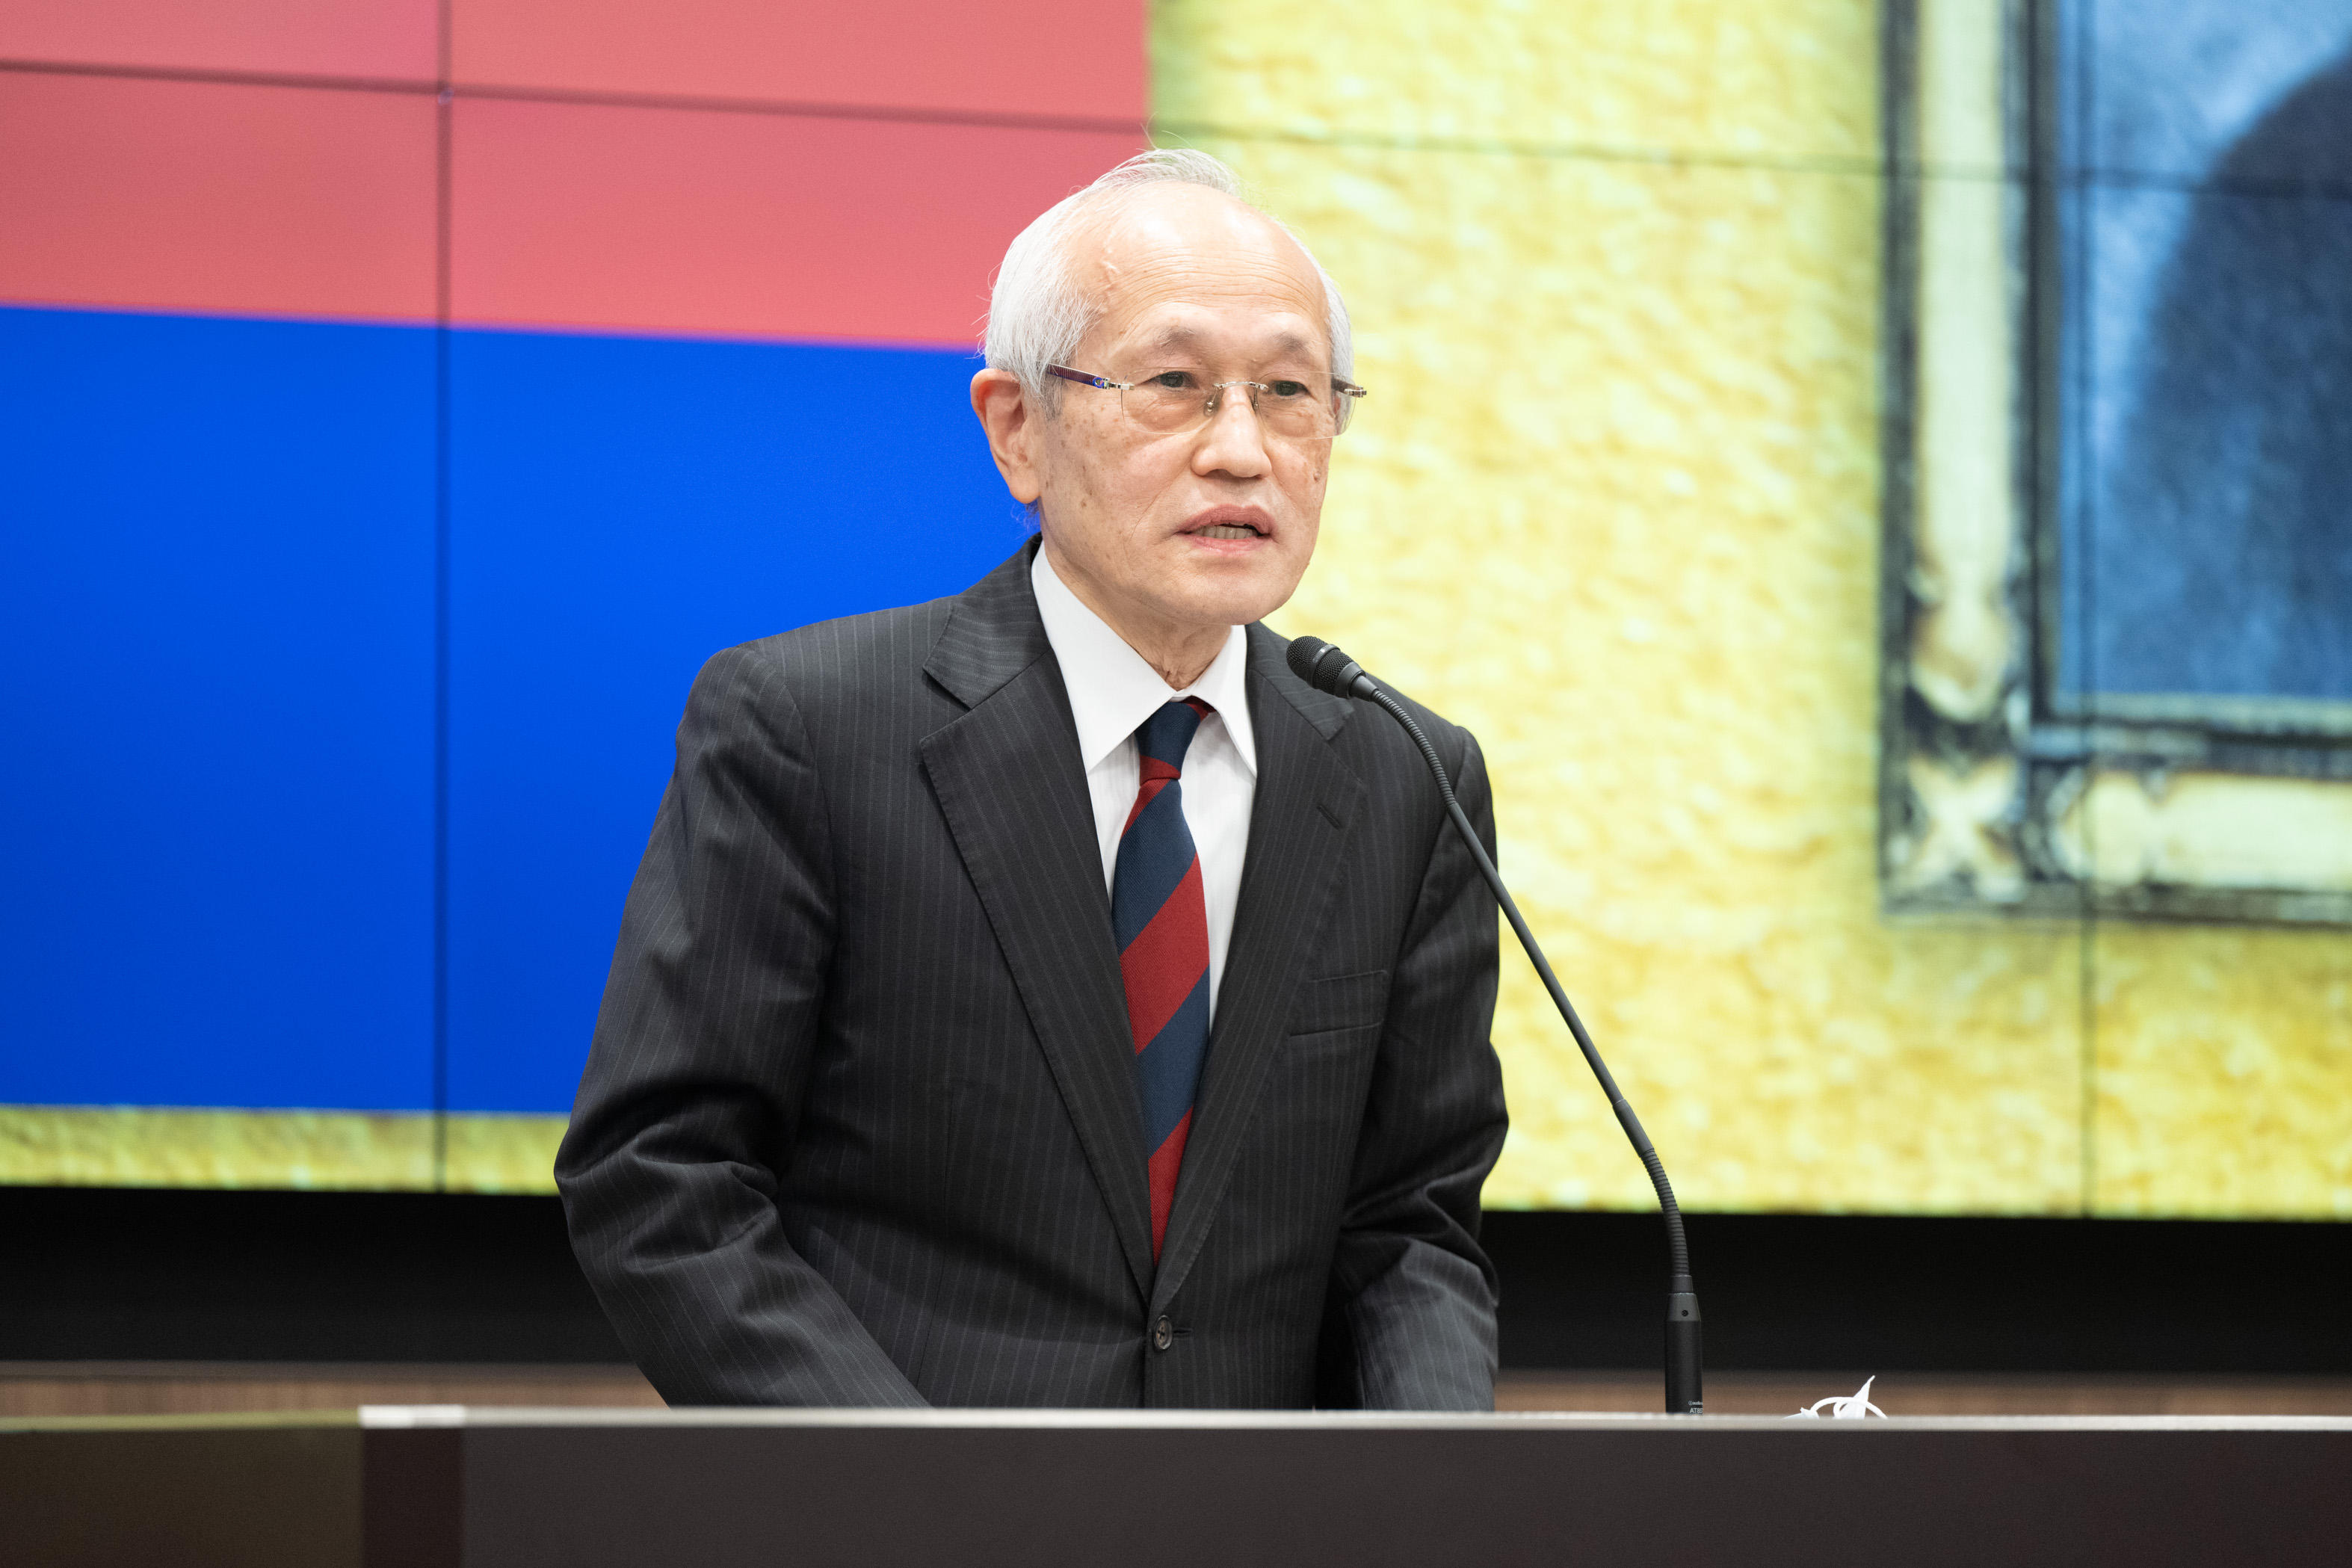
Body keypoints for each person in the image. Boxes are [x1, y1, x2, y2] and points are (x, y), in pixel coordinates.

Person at [556, 149, 1508, 1410]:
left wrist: (1436, 1484)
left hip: (1263, 1507)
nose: (1242, 451)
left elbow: (1409, 1229)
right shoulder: (809, 727)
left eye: (1290, 391)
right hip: (906, 1496)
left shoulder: (1405, 775)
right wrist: (927, 1489)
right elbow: (664, 1179)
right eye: (1174, 385)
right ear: (1018, 430)